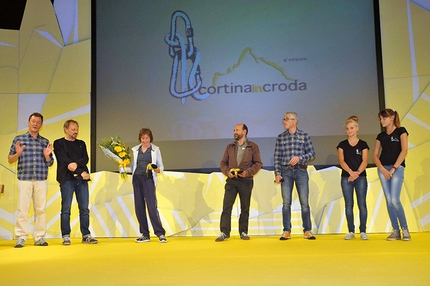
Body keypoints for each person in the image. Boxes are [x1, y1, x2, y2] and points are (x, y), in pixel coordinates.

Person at [8, 112, 54, 248]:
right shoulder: (19, 139)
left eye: (38, 122)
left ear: (41, 125)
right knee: (22, 209)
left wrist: (47, 156)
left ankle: (39, 237)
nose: (35, 124)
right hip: (24, 179)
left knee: (40, 209)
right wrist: (18, 153)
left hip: (41, 179)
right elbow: (10, 159)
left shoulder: (45, 142)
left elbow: (50, 163)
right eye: (33, 121)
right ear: (28, 123)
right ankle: (21, 237)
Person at [53, 120, 98, 245]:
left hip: (82, 180)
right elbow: (65, 161)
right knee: (66, 208)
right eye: (73, 129)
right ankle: (66, 236)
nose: (76, 131)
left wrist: (77, 167)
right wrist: (80, 171)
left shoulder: (81, 143)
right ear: (65, 129)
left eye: (77, 129)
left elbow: (85, 159)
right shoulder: (58, 143)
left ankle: (86, 235)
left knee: (84, 208)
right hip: (67, 180)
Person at [216, 123, 262, 242]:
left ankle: (243, 231)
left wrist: (248, 172)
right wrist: (227, 172)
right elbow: (223, 163)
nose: (234, 132)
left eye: (237, 130)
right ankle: (224, 232)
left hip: (246, 181)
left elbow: (258, 164)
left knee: (245, 207)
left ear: (244, 132)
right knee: (227, 207)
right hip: (231, 181)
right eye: (234, 130)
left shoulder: (253, 146)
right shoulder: (230, 147)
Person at [274, 112, 316, 240]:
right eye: (284, 119)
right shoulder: (281, 137)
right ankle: (286, 231)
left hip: (301, 171)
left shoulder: (304, 135)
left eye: (287, 119)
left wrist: (300, 157)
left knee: (304, 202)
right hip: (286, 171)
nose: (284, 121)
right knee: (286, 202)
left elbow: (312, 153)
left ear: (294, 121)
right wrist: (277, 174)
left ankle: (307, 230)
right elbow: (277, 157)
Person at [373, 108, 411, 241]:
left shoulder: (401, 131)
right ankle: (395, 230)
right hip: (383, 169)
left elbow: (404, 150)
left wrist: (394, 168)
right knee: (389, 201)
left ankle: (405, 229)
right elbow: (375, 155)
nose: (381, 121)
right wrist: (382, 169)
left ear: (392, 117)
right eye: (380, 118)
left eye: (383, 118)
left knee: (395, 199)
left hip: (397, 168)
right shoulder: (381, 136)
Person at [130, 128, 167, 243]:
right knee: (139, 206)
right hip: (137, 179)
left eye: (147, 138)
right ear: (140, 139)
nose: (145, 140)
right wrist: (122, 168)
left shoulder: (155, 150)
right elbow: (133, 167)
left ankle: (160, 233)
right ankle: (145, 234)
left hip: (148, 179)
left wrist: (157, 169)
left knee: (151, 206)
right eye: (143, 138)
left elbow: (161, 166)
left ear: (150, 138)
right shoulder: (136, 150)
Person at [337, 116, 369, 240]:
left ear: (357, 128)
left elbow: (365, 161)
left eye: (351, 128)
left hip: (361, 178)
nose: (349, 131)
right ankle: (351, 230)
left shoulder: (363, 144)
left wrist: (357, 173)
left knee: (362, 204)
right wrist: (350, 173)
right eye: (347, 129)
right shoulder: (342, 145)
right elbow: (341, 161)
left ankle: (363, 231)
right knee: (349, 204)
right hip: (346, 177)